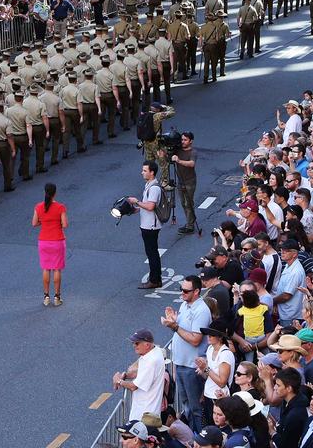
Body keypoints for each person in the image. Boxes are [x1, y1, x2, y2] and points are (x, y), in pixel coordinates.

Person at [163, 274, 212, 431]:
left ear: (196, 291)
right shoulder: (185, 305)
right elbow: (183, 329)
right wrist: (174, 320)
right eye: (181, 289)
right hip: (181, 364)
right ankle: (191, 436)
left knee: (196, 408)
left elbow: (195, 339)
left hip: (192, 367)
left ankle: (198, 438)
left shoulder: (202, 310)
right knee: (186, 406)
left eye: (185, 291)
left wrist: (175, 327)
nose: (182, 293)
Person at [114, 328, 167, 422]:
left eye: (137, 343)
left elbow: (134, 386)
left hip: (144, 415)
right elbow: (141, 373)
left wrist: (119, 381)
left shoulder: (151, 362)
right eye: (133, 343)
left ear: (147, 345)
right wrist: (125, 375)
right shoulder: (155, 351)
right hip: (147, 413)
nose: (134, 345)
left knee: (132, 436)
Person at [127, 160, 163, 289]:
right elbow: (145, 206)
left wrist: (136, 201)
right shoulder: (149, 185)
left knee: (152, 253)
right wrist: (134, 210)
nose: (142, 173)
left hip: (151, 226)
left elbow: (150, 206)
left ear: (152, 172)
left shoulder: (154, 188)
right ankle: (155, 277)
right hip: (146, 224)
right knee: (152, 252)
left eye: (145, 170)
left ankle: (155, 280)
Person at [32, 182, 69, 306]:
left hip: (43, 241)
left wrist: (44, 223)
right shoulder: (60, 207)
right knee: (57, 269)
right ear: (55, 193)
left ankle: (46, 296)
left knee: (46, 268)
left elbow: (34, 223)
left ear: (44, 193)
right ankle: (57, 297)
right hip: (58, 241)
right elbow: (65, 224)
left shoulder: (38, 207)